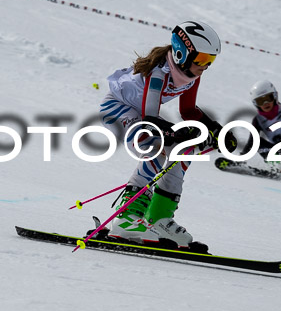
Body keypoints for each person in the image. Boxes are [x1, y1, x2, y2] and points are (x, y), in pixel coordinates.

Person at [100, 21, 237, 248]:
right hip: (117, 109)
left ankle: (159, 218)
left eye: (210, 61)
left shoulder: (191, 74)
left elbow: (188, 111)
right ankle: (126, 218)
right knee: (156, 148)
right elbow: (150, 118)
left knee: (184, 151)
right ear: (183, 54)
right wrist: (176, 132)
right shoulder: (158, 74)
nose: (205, 66)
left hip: (144, 116)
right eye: (202, 59)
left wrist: (215, 130)